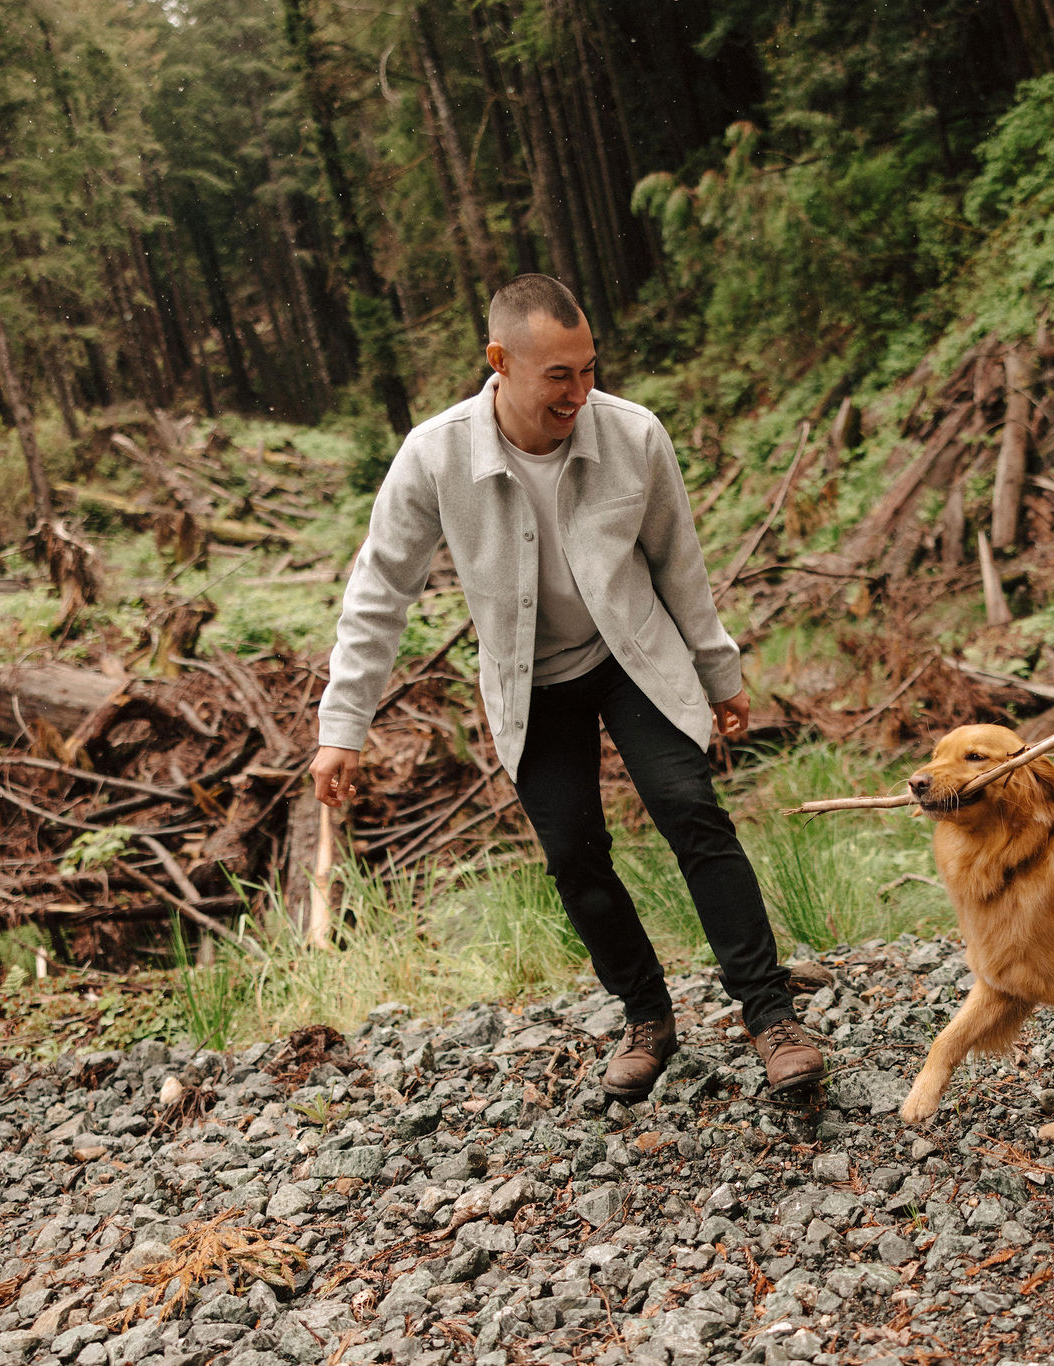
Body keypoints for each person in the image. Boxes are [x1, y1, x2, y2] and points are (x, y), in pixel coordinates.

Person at [310, 274, 826, 1101]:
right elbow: (379, 594)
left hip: (634, 658)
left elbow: (680, 566)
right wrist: (344, 725)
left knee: (688, 806)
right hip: (531, 680)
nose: (580, 392)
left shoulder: (633, 434)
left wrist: (719, 674)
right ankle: (648, 1019)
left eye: (589, 369)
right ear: (499, 362)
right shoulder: (435, 456)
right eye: (559, 375)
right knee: (573, 851)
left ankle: (770, 1016)